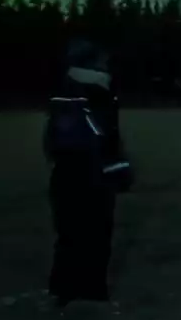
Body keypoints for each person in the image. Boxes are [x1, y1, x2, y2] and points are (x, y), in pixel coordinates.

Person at [43, 39, 133, 306]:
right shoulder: (100, 91)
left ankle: (63, 290)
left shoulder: (62, 90)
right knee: (96, 234)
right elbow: (106, 138)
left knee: (68, 233)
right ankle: (93, 291)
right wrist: (120, 170)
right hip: (94, 174)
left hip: (63, 172)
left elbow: (50, 138)